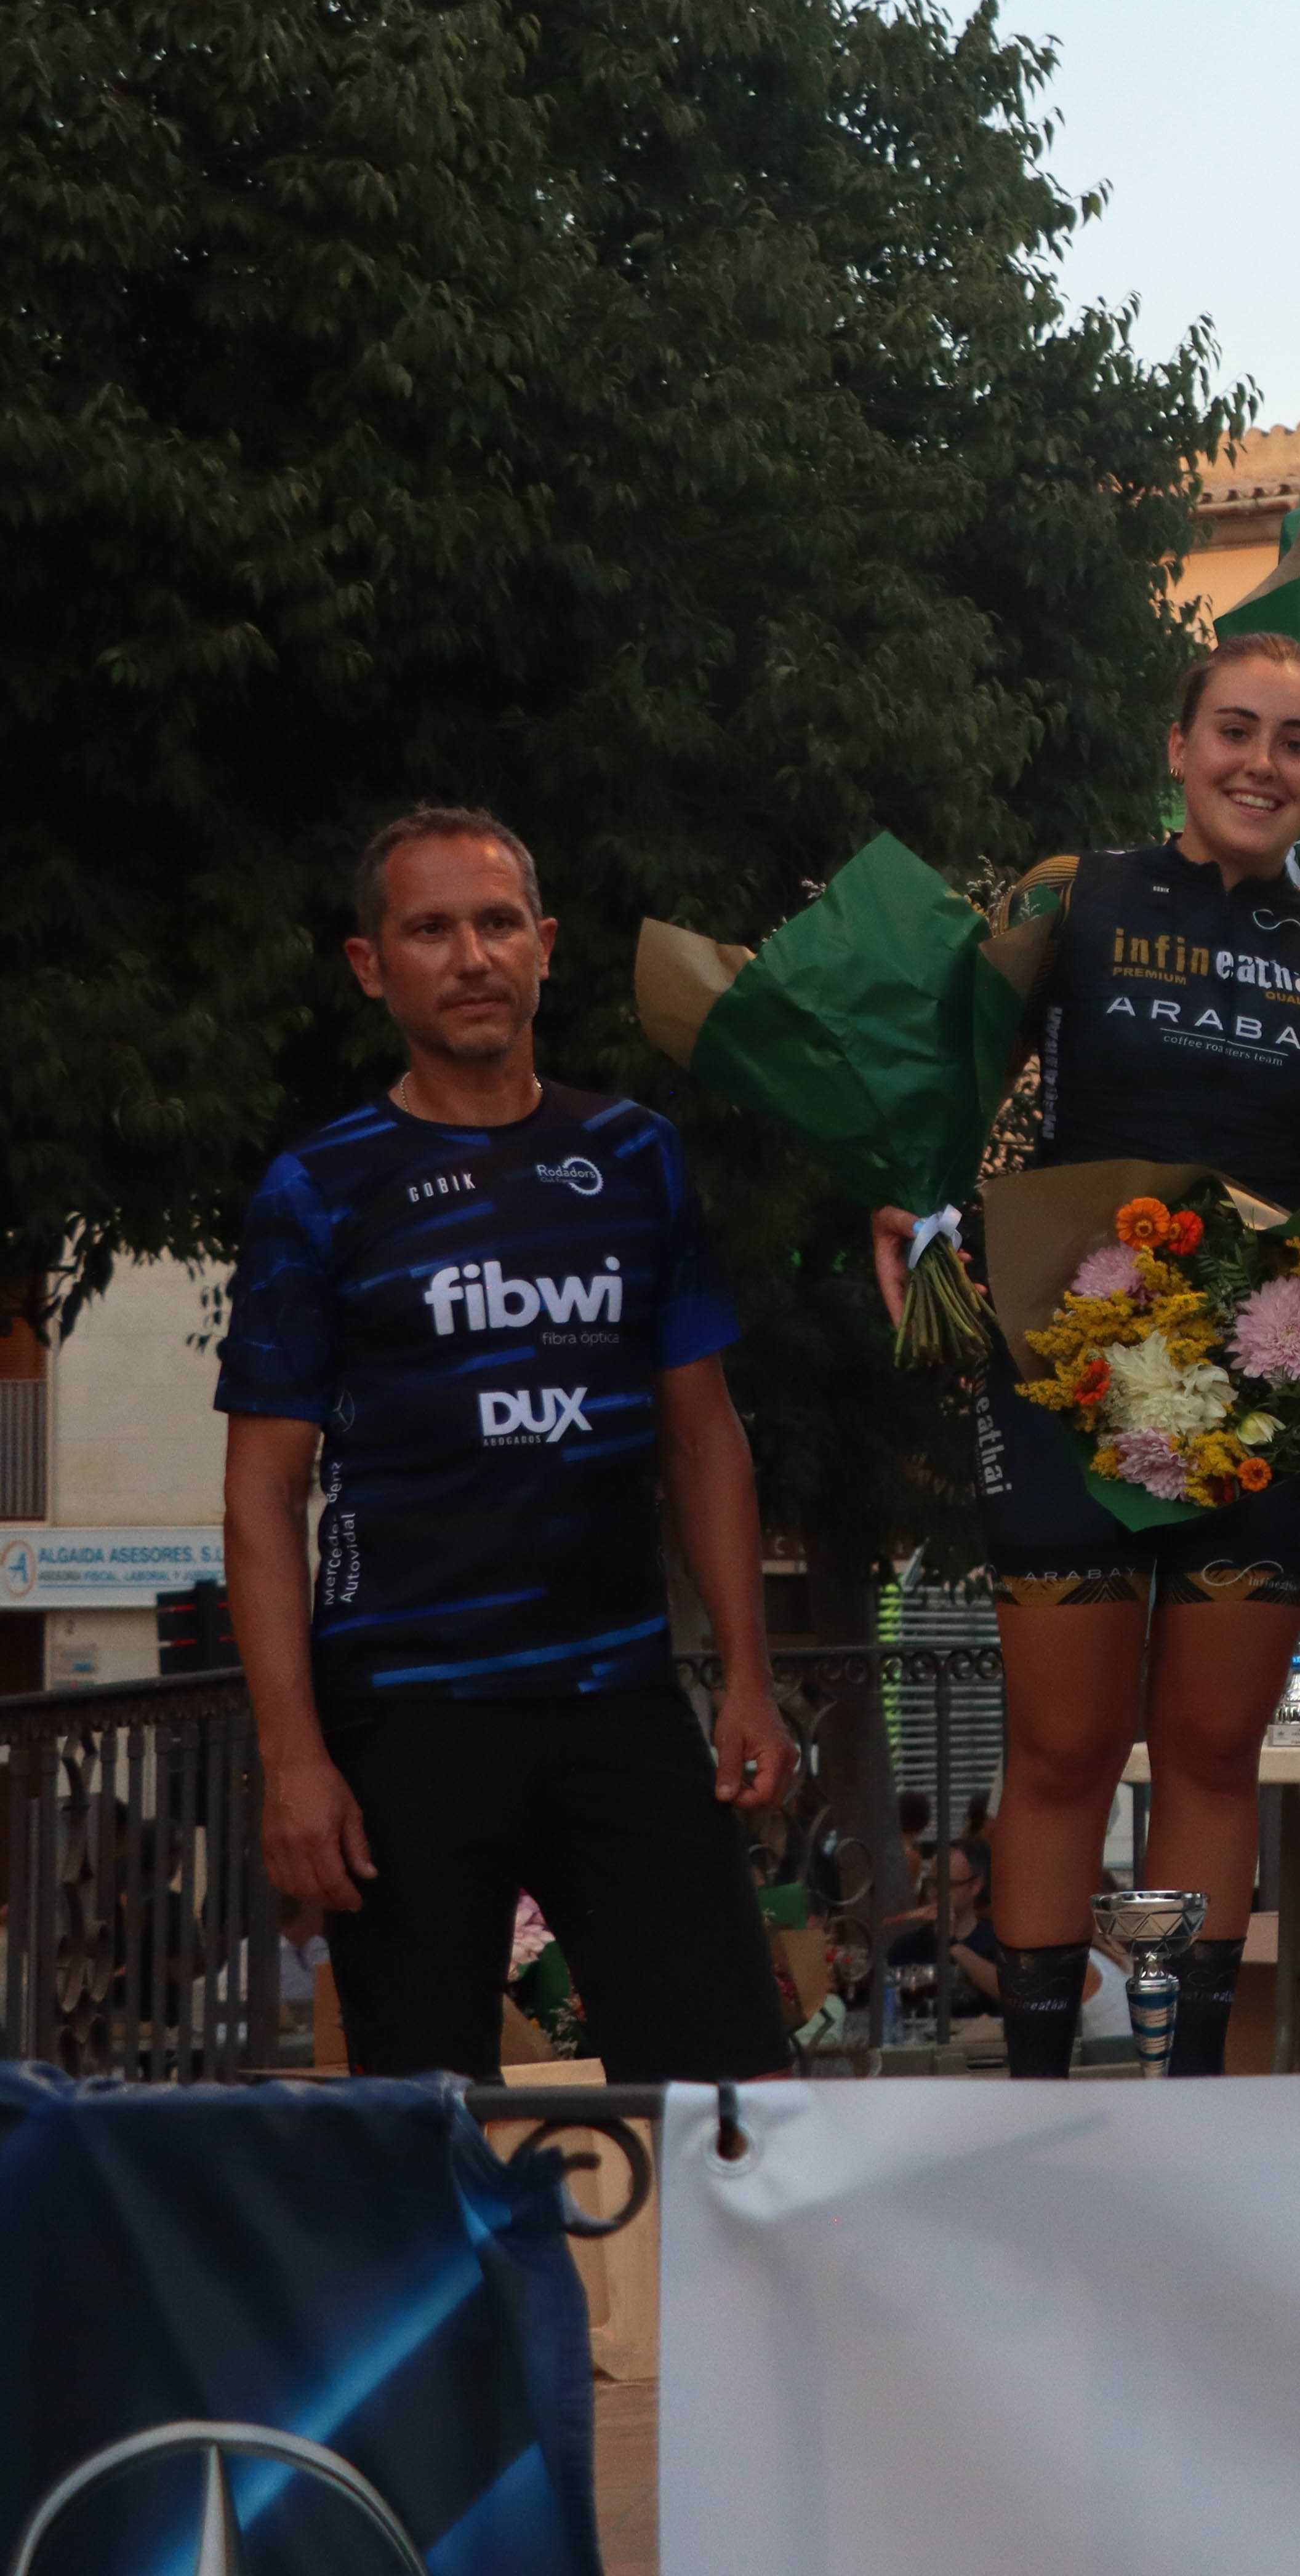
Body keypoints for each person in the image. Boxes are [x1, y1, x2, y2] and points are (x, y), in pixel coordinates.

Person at [218, 807, 799, 2082]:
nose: (470, 956)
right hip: (406, 1724)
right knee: (423, 2115)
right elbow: (264, 1495)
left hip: (621, 1702)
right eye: (429, 929)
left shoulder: (633, 1154)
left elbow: (703, 1437)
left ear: (544, 947)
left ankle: (694, 2294)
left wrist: (747, 1675)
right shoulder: (319, 1188)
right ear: (373, 966)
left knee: (729, 2106)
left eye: (494, 925)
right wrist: (293, 1757)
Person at [870, 631, 1300, 2077]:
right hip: (1068, 1349)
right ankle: (1034, 2087)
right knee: (1064, 1749)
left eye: (1296, 743)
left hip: (1259, 1369)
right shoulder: (1073, 894)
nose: (1261, 764)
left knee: (1212, 1751)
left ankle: (1189, 2082)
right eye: (1235, 732)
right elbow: (936, 1067)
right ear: (1177, 746)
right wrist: (910, 1219)